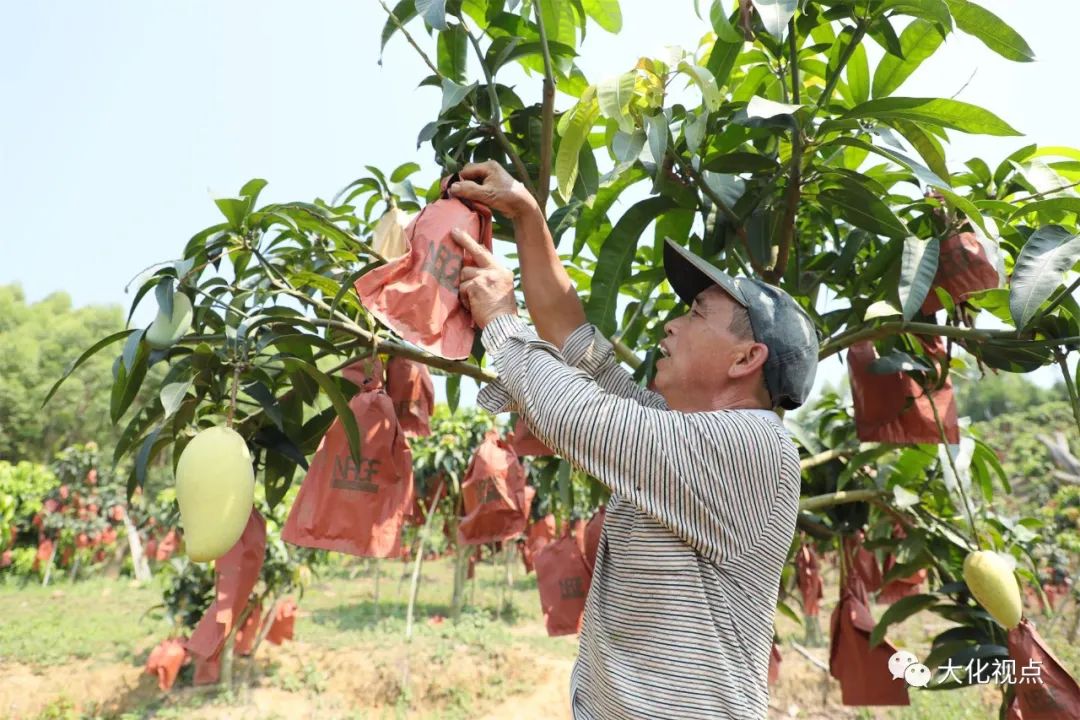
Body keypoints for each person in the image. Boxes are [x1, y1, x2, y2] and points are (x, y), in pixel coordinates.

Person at [447, 161, 819, 720]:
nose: (671, 324)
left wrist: (503, 321)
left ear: (748, 358)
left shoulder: (758, 447)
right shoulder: (676, 433)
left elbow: (580, 415)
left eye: (695, 314)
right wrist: (525, 214)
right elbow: (575, 340)